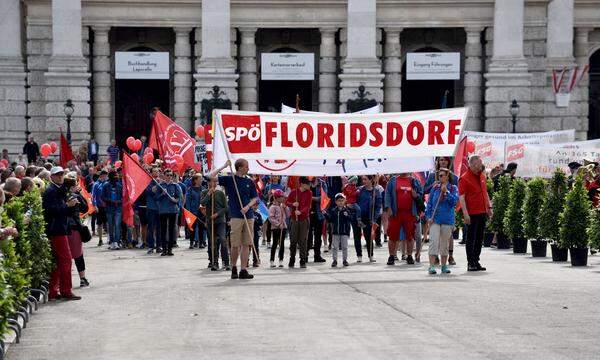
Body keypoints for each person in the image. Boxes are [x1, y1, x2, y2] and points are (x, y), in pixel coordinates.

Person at [209, 159, 258, 279]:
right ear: (240, 167)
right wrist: (224, 166)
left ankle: (243, 270)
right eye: (246, 166)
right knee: (235, 244)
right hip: (235, 216)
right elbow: (210, 176)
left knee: (247, 244)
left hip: (248, 216)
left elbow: (255, 198)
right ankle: (234, 267)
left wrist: (248, 207)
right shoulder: (230, 180)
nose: (248, 168)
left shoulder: (249, 181)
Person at [42, 166, 81, 300]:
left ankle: (54, 291)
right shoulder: (51, 191)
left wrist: (71, 204)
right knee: (65, 260)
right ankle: (65, 291)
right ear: (51, 176)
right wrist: (68, 206)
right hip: (56, 230)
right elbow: (51, 211)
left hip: (59, 228)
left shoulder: (57, 189)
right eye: (57, 175)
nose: (60, 177)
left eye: (61, 174)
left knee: (60, 261)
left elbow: (62, 210)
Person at [459, 155, 493, 272]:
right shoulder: (465, 178)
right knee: (471, 238)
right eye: (479, 164)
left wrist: (489, 208)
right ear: (473, 165)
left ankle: (476, 260)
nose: (481, 166)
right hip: (472, 212)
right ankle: (470, 262)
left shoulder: (482, 176)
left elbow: (485, 193)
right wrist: (465, 213)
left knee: (479, 238)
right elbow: (462, 198)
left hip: (482, 211)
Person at [425, 168, 459, 275]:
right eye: (439, 176)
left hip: (447, 220)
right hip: (435, 219)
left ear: (447, 176)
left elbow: (454, 202)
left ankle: (444, 266)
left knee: (444, 244)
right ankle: (431, 266)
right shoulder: (435, 188)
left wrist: (446, 192)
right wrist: (428, 216)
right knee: (433, 241)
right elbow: (429, 203)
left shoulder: (453, 188)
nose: (440, 178)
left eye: (442, 175)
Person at [384, 173, 423, 265]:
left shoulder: (414, 181)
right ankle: (391, 256)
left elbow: (421, 194)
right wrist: (388, 207)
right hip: (395, 213)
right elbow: (387, 194)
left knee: (410, 236)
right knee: (393, 236)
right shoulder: (392, 181)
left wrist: (416, 195)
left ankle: (409, 256)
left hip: (410, 213)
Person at [64, 174, 91, 287]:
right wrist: (79, 194)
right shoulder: (75, 196)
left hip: (63, 228)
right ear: (72, 187)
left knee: (65, 256)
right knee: (78, 255)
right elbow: (85, 208)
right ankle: (82, 278)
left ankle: (66, 281)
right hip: (74, 228)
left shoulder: (61, 196)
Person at [200, 176, 229, 270]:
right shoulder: (204, 192)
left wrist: (217, 214)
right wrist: (208, 194)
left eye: (214, 182)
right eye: (210, 182)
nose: (212, 183)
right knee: (213, 242)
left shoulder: (220, 193)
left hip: (220, 220)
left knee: (222, 240)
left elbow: (226, 207)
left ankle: (226, 262)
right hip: (210, 221)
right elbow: (202, 203)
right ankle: (214, 262)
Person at [285, 176, 312, 268]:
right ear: (302, 184)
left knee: (303, 240)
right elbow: (286, 202)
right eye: (307, 183)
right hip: (294, 219)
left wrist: (301, 211)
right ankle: (292, 258)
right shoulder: (294, 192)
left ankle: (303, 260)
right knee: (293, 240)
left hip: (304, 219)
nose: (309, 185)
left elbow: (308, 206)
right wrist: (293, 204)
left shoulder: (309, 193)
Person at [156, 169, 183, 256]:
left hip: (173, 210)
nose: (169, 177)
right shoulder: (160, 186)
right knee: (163, 230)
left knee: (172, 230)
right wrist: (162, 194)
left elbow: (179, 197)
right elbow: (157, 197)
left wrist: (175, 200)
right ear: (164, 176)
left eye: (171, 175)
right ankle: (164, 249)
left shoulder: (175, 186)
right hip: (163, 210)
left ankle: (170, 249)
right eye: (167, 175)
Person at [357, 175, 382, 263]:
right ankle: (359, 255)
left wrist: (374, 218)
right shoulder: (359, 190)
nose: (363, 181)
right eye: (362, 179)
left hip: (369, 217)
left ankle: (370, 255)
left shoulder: (376, 191)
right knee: (357, 236)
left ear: (371, 180)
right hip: (358, 216)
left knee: (368, 236)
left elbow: (378, 206)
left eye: (365, 179)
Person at [326, 193, 352, 267]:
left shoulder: (346, 210)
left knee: (344, 247)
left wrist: (347, 215)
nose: (340, 202)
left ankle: (345, 260)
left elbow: (350, 219)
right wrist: (325, 214)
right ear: (336, 202)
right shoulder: (334, 210)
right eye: (339, 201)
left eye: (342, 200)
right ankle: (334, 260)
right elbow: (330, 220)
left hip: (344, 232)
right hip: (335, 232)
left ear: (344, 201)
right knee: (335, 247)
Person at [101, 171, 123, 250]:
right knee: (110, 226)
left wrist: (119, 201)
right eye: (115, 176)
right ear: (111, 177)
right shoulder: (106, 185)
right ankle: (112, 241)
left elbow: (123, 197)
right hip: (109, 208)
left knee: (117, 225)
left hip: (118, 208)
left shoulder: (120, 185)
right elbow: (102, 196)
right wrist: (110, 200)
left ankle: (117, 242)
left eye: (117, 176)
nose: (117, 177)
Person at [307, 177, 327, 263]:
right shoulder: (306, 182)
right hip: (307, 213)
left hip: (319, 213)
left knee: (318, 236)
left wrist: (310, 197)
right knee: (307, 236)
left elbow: (323, 198)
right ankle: (305, 255)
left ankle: (317, 255)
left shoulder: (322, 184)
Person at [268, 189, 289, 268]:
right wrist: (277, 224)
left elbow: (288, 215)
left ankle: (281, 259)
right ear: (276, 198)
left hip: (283, 227)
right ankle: (272, 260)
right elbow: (270, 217)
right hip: (276, 228)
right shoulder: (272, 207)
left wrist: (285, 207)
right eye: (281, 197)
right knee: (275, 244)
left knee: (282, 244)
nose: (283, 198)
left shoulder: (282, 206)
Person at [185, 173, 204, 249]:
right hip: (193, 211)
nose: (201, 180)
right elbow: (188, 201)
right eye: (200, 179)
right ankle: (191, 243)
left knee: (201, 228)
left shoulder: (203, 189)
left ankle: (201, 243)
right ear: (195, 180)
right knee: (192, 228)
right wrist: (189, 211)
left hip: (201, 211)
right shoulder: (190, 189)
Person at [145, 166, 161, 254]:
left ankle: (159, 246)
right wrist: (156, 186)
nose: (156, 173)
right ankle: (151, 246)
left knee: (159, 228)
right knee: (150, 228)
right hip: (151, 208)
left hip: (159, 209)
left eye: (157, 172)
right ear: (151, 173)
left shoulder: (161, 182)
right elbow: (150, 191)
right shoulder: (147, 182)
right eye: (154, 171)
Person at [92, 170, 107, 245]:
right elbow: (93, 196)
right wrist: (94, 205)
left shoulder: (107, 183)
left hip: (107, 206)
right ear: (101, 176)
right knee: (99, 223)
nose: (105, 177)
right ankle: (100, 240)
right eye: (104, 175)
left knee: (108, 223)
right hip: (99, 207)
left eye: (106, 175)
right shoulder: (96, 184)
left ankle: (110, 239)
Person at [251, 203, 263, 267]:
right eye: (254, 205)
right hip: (249, 231)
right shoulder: (249, 213)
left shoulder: (258, 215)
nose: (255, 206)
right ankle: (246, 261)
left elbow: (261, 223)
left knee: (256, 246)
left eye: (257, 205)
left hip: (256, 232)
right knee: (248, 246)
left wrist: (256, 221)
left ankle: (255, 260)